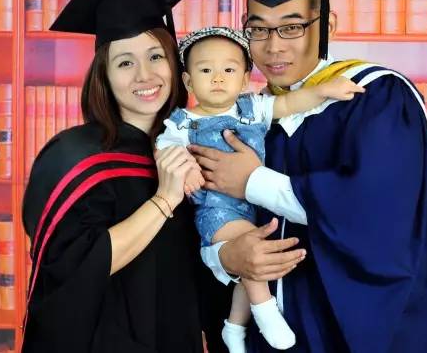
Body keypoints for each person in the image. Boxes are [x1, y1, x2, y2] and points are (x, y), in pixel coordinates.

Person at [193, 0, 427, 352]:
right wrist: (228, 257)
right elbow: (213, 216)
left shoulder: (376, 97)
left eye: (292, 27)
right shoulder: (251, 116)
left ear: (327, 24)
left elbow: (374, 211)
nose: (273, 47)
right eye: (258, 29)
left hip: (348, 333)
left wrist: (252, 182)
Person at [22, 0, 205, 353]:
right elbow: (73, 268)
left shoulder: (191, 146)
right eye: (125, 62)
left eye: (155, 56)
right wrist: (165, 198)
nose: (145, 75)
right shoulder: (73, 157)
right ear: (103, 76)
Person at [156, 26, 364, 353]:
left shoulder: (254, 107)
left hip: (255, 205)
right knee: (253, 252)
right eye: (206, 70)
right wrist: (187, 168)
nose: (218, 78)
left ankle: (234, 327)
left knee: (250, 266)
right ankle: (266, 313)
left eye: (229, 70)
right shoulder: (183, 121)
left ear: (244, 80)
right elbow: (164, 150)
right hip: (217, 211)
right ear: (188, 81)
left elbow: (291, 103)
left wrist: (325, 90)